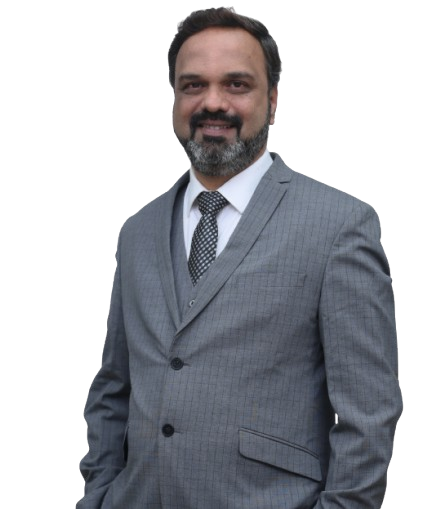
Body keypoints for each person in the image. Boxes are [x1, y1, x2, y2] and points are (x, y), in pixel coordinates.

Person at [76, 6, 403, 509]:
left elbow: (369, 412)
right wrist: (99, 493)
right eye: (193, 85)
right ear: (174, 98)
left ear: (272, 101)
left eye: (236, 84)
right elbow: (113, 387)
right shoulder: (137, 231)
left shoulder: (340, 225)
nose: (212, 102)